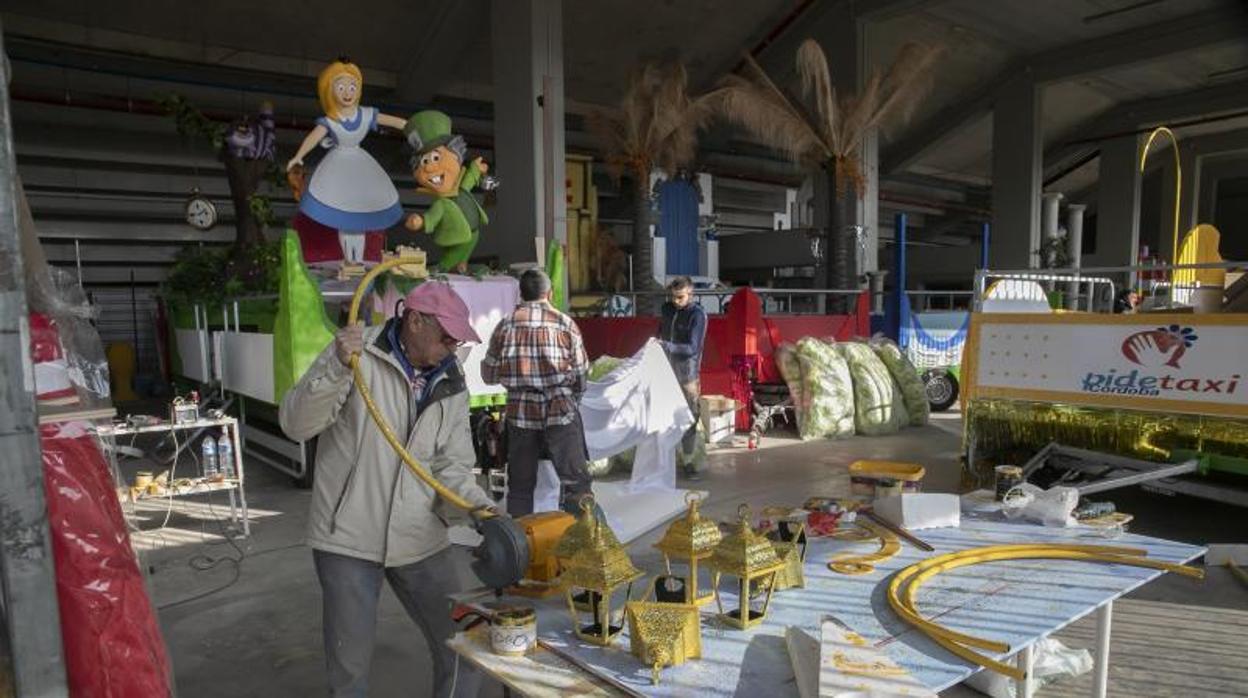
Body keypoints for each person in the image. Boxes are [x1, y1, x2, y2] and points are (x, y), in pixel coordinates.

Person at [279, 282, 494, 698]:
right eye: (447, 336)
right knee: (350, 672)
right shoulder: (356, 354)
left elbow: (451, 465)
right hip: (349, 537)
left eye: (457, 339)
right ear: (414, 321)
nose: (453, 347)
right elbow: (296, 423)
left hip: (419, 535)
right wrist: (337, 367)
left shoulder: (451, 378)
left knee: (466, 645)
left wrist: (483, 510)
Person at [482, 269, 591, 516]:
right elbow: (582, 376)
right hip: (560, 410)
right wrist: (571, 393)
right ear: (549, 293)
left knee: (520, 485)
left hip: (520, 413)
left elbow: (488, 375)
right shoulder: (565, 323)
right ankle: (582, 538)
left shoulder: (506, 324)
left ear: (520, 294)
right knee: (576, 483)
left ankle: (521, 541)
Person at [286, 58, 407, 263]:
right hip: (338, 166)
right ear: (329, 91)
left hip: (360, 166)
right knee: (342, 214)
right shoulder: (331, 120)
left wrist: (413, 126)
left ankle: (356, 262)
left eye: (352, 86)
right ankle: (350, 262)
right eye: (340, 87)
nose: (347, 92)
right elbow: (313, 138)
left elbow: (393, 121)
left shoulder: (365, 114)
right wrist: (298, 156)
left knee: (360, 213)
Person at [658, 276, 708, 479]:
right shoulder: (667, 309)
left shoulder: (698, 315)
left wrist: (668, 346)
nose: (676, 301)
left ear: (690, 295)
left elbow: (693, 348)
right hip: (664, 371)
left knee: (689, 418)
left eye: (680, 297)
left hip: (687, 374)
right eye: (672, 297)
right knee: (663, 416)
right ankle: (663, 460)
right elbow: (661, 330)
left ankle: (688, 462)